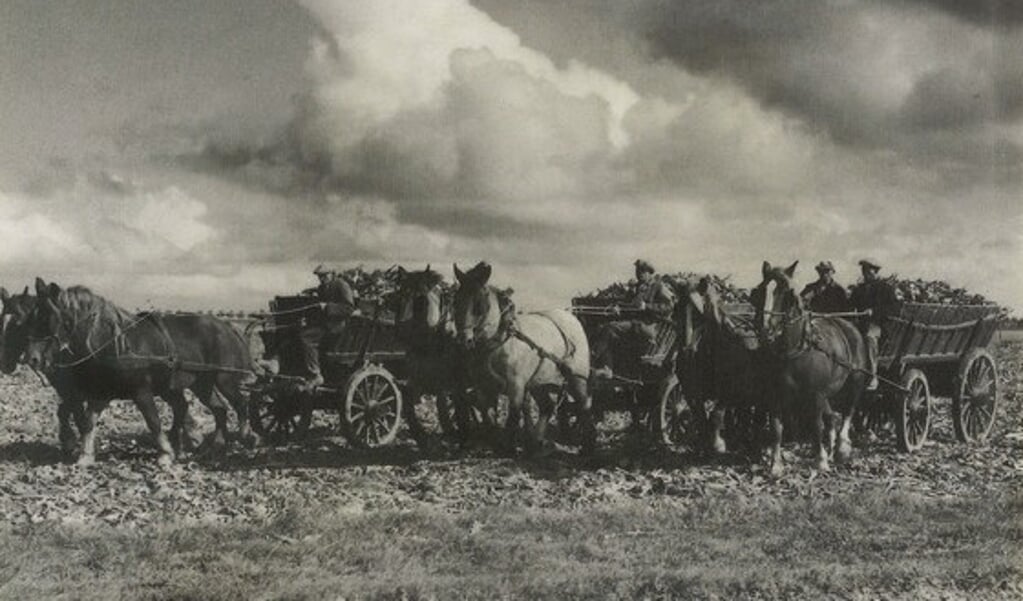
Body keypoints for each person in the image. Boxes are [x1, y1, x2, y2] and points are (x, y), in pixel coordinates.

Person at [591, 260, 676, 380]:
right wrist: (618, 307)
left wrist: (647, 306)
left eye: (642, 271)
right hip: (634, 325)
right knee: (603, 329)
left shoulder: (658, 286)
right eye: (637, 271)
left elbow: (669, 307)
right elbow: (628, 303)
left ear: (649, 273)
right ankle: (607, 368)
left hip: (647, 326)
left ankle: (592, 357)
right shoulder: (637, 288)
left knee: (609, 328)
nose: (638, 274)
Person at [298, 264, 359, 389]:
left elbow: (349, 308)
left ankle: (315, 375)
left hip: (339, 326)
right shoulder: (322, 288)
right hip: (326, 324)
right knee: (300, 331)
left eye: (324, 276)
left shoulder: (341, 285)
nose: (321, 279)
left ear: (332, 273)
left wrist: (328, 306)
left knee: (307, 337)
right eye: (320, 276)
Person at [849, 258, 899, 390]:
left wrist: (874, 311)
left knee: (869, 338)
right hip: (860, 324)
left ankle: (872, 376)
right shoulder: (858, 289)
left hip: (878, 326)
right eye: (863, 270)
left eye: (867, 270)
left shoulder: (886, 288)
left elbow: (894, 308)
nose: (864, 273)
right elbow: (849, 305)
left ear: (875, 271)